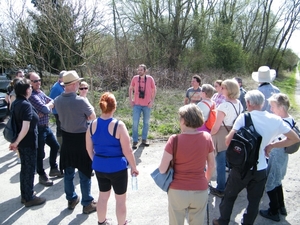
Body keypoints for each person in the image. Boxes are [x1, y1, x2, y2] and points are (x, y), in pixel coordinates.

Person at [212, 90, 300, 225]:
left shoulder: (244, 118)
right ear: (263, 103)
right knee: (254, 202)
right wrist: (272, 145)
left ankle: (222, 221)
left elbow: (228, 141)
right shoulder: (275, 120)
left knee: (230, 196)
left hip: (241, 168)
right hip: (260, 169)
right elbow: (294, 138)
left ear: (248, 103)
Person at [86, 92, 139, 225]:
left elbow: (88, 148)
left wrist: (97, 161)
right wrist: (134, 167)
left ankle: (101, 222)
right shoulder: (119, 126)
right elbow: (127, 151)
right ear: (114, 107)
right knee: (120, 199)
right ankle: (122, 223)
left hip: (99, 166)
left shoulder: (92, 125)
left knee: (103, 197)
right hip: (117, 168)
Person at [158, 104, 215, 225]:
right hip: (200, 189)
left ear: (183, 120)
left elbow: (162, 170)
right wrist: (205, 180)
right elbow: (212, 166)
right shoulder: (207, 137)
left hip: (178, 191)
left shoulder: (174, 140)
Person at [54, 70, 97, 214]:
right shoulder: (80, 101)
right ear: (73, 85)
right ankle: (87, 203)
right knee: (85, 172)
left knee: (69, 172)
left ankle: (71, 199)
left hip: (67, 139)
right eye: (78, 82)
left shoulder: (58, 100)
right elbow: (92, 117)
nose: (79, 84)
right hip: (81, 139)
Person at [9, 78, 46, 207]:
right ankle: (29, 197)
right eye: (30, 87)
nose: (32, 88)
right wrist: (16, 142)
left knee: (25, 168)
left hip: (22, 143)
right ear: (26, 90)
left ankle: (25, 194)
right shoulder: (25, 105)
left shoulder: (16, 102)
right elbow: (25, 127)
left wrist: (16, 142)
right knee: (29, 169)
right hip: (27, 142)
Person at [259, 93, 292, 222]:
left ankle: (273, 211)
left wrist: (272, 145)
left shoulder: (281, 123)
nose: (271, 109)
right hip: (282, 156)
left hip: (277, 155)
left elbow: (288, 139)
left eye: (273, 106)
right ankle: (281, 206)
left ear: (281, 107)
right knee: (277, 181)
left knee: (270, 183)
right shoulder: (290, 119)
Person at [28, 72, 62, 187]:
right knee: (40, 154)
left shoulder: (40, 92)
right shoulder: (32, 96)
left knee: (55, 146)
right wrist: (45, 109)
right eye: (35, 81)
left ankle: (53, 168)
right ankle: (42, 175)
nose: (38, 83)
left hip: (46, 127)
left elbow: (53, 101)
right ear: (29, 83)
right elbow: (45, 109)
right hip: (38, 129)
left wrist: (46, 108)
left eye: (39, 80)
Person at [210, 79, 243, 198]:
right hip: (232, 133)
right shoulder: (238, 103)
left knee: (219, 162)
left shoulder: (224, 106)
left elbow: (216, 126)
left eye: (223, 88)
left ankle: (220, 188)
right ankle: (228, 186)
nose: (221, 89)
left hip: (221, 134)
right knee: (228, 162)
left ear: (229, 90)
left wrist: (210, 134)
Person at [128, 64, 156, 149]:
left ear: (145, 71)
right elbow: (130, 88)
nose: (139, 71)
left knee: (146, 123)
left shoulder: (150, 79)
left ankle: (144, 139)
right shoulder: (135, 78)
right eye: (138, 70)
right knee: (135, 123)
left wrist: (152, 101)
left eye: (141, 70)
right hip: (137, 104)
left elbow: (154, 89)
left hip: (147, 105)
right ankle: (135, 140)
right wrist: (130, 99)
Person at [49, 70, 65, 150]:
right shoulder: (56, 87)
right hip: (58, 111)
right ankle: (60, 147)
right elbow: (51, 100)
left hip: (63, 111)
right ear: (61, 78)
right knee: (60, 128)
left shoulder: (63, 85)